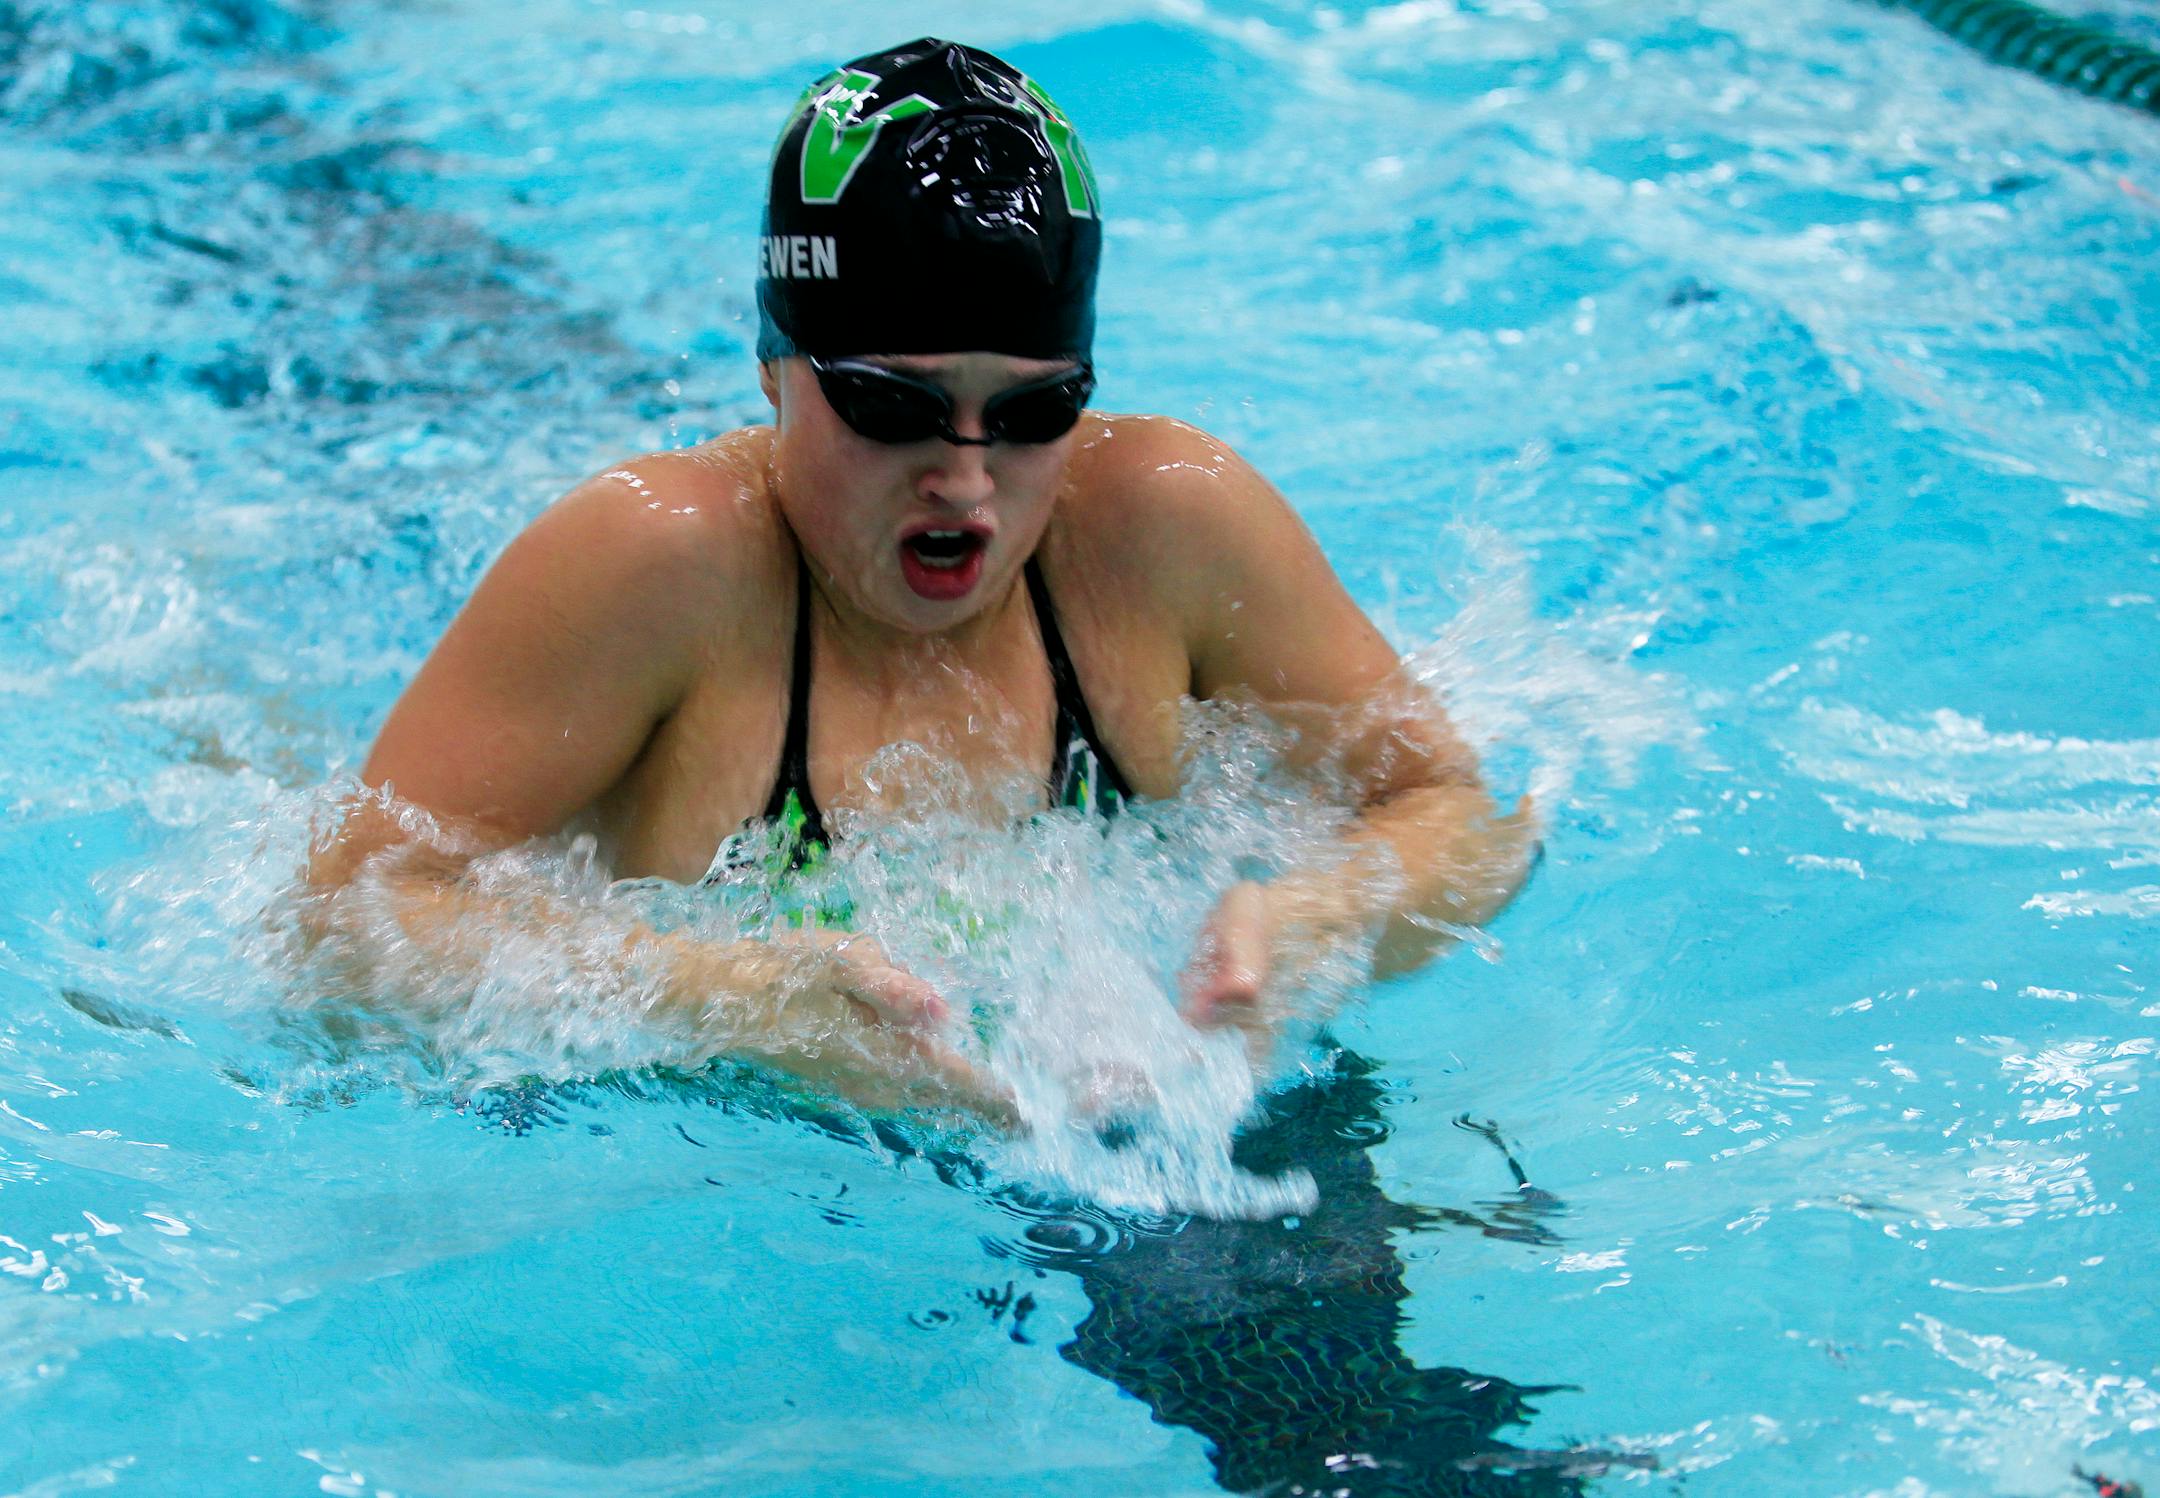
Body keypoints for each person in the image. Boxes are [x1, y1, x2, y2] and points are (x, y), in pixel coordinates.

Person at [306, 37, 1536, 1114]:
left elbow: (1464, 820)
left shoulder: (1165, 523)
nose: (967, 478)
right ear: (776, 370)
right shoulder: (658, 563)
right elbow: (339, 928)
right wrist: (726, 995)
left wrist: (1316, 921)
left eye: (1034, 411)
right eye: (894, 407)